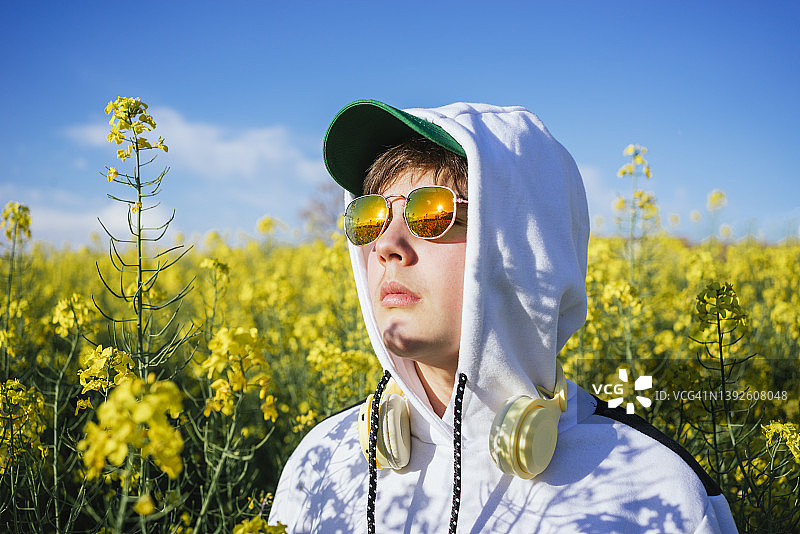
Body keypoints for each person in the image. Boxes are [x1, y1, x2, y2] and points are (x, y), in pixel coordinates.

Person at [269, 100, 738, 533]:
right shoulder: (320, 461)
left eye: (430, 214)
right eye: (370, 217)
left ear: (523, 247)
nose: (386, 245)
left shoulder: (655, 492)